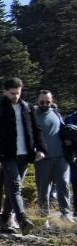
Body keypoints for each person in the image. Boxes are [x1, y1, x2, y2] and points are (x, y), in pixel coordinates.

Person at [0, 77, 45, 236]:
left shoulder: (28, 107)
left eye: (18, 93)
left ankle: (3, 222)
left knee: (13, 189)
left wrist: (40, 148)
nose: (15, 96)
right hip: (6, 155)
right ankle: (22, 219)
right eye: (12, 93)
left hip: (25, 155)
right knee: (15, 187)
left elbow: (36, 129)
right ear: (4, 91)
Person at [33, 91, 72, 222]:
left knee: (64, 184)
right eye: (42, 102)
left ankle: (65, 214)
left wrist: (68, 139)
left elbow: (62, 129)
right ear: (37, 101)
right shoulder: (33, 115)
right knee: (43, 188)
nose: (45, 104)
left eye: (48, 102)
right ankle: (44, 217)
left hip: (61, 155)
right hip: (42, 158)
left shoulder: (55, 113)